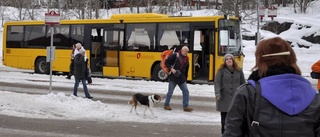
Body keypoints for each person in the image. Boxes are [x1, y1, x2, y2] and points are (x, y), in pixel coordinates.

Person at [223, 37, 320, 137]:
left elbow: (231, 133)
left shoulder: (247, 93)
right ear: (292, 59)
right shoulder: (315, 98)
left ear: (260, 60)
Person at [214, 53, 245, 135]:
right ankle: (224, 134)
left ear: (233, 60)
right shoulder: (221, 70)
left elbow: (243, 83)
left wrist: (244, 95)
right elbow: (217, 82)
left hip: (236, 98)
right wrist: (217, 93)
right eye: (227, 59)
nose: (229, 60)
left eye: (230, 59)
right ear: (225, 61)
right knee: (224, 119)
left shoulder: (239, 70)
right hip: (224, 98)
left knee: (236, 119)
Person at [163, 46, 193, 112]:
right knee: (170, 92)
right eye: (186, 51)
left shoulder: (187, 60)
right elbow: (166, 62)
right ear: (182, 50)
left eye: (188, 51)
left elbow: (186, 71)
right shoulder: (175, 56)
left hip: (181, 78)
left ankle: (185, 106)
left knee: (186, 92)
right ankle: (166, 104)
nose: (187, 53)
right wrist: (171, 69)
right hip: (173, 77)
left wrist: (185, 79)